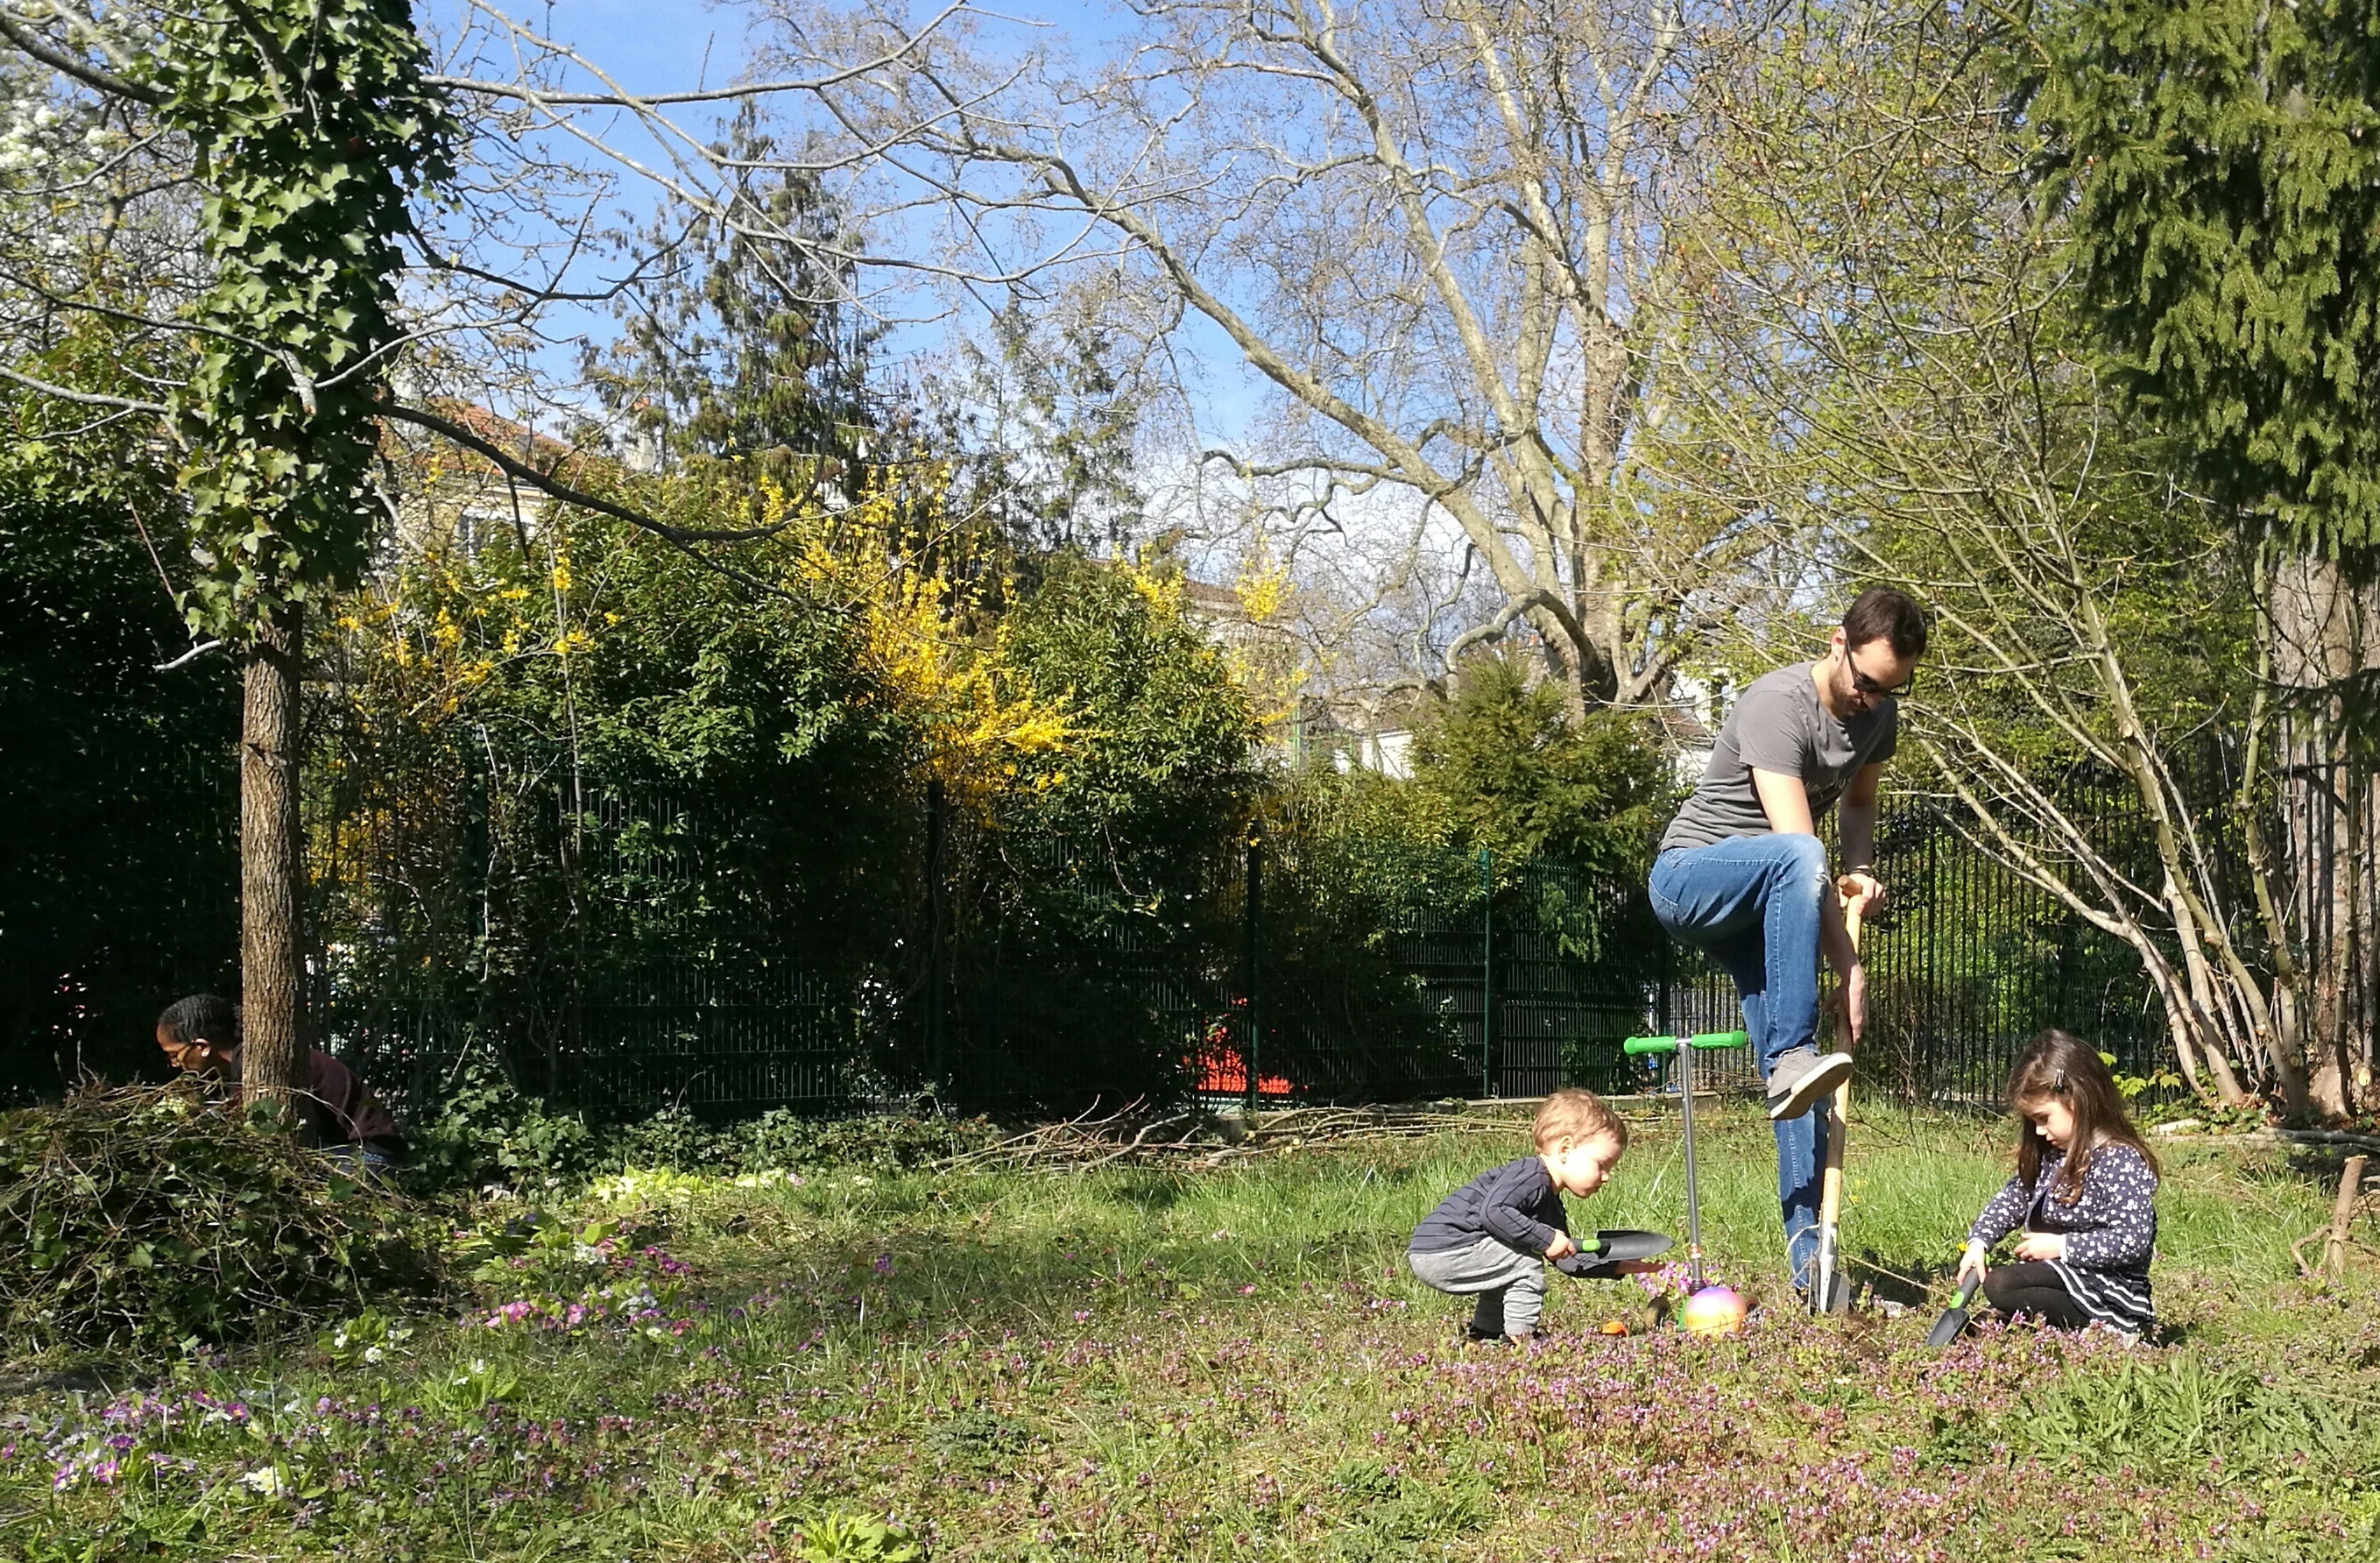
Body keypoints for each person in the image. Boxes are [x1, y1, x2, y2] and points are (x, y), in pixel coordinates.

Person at [1648, 587, 1927, 1295]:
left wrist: (1860, 871)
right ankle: (1792, 1052)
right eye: (1865, 683)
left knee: (1799, 1092)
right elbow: (1797, 846)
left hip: (1769, 904)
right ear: (1837, 643)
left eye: (1891, 689)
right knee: (1800, 864)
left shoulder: (1878, 715)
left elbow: (1858, 804)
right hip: (1692, 880)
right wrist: (1849, 965)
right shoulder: (1774, 705)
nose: (1872, 700)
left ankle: (1813, 1270)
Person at [1956, 1029, 2158, 1340]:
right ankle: (2051, 1323)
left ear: (2075, 1099)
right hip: (2066, 1275)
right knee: (2000, 1282)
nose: (2038, 1131)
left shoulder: (2120, 1159)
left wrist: (2061, 1247)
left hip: (2108, 1286)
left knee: (2001, 1286)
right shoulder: (2054, 1155)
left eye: (2043, 1118)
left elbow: (2133, 1240)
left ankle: (2112, 1328)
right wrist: (1979, 1242)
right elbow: (2014, 1197)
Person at [1407, 1086, 1649, 1344]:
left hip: (1440, 1252)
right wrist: (1545, 1239)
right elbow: (1494, 1212)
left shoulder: (1548, 1200)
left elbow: (1565, 1258)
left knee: (1509, 1265)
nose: (1606, 1176)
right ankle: (1522, 1341)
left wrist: (1613, 1266)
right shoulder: (1530, 1176)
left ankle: (1485, 1335)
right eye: (1601, 1164)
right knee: (1525, 1263)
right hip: (1444, 1249)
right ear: (1565, 1149)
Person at [156, 994, 407, 1173]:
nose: (174, 1064)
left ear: (202, 1047)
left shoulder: (259, 1064)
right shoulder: (238, 1065)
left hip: (372, 1156)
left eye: (174, 1054)